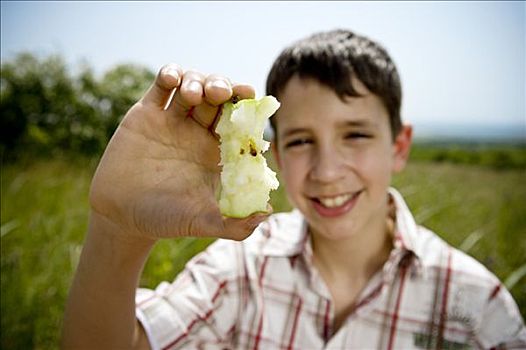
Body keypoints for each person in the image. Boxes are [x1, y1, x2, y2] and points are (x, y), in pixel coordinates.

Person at [62, 29, 525, 349]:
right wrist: (116, 229)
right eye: (301, 140)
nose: (326, 171)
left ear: (399, 146)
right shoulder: (239, 267)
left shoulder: (476, 307)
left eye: (356, 135)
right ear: (275, 154)